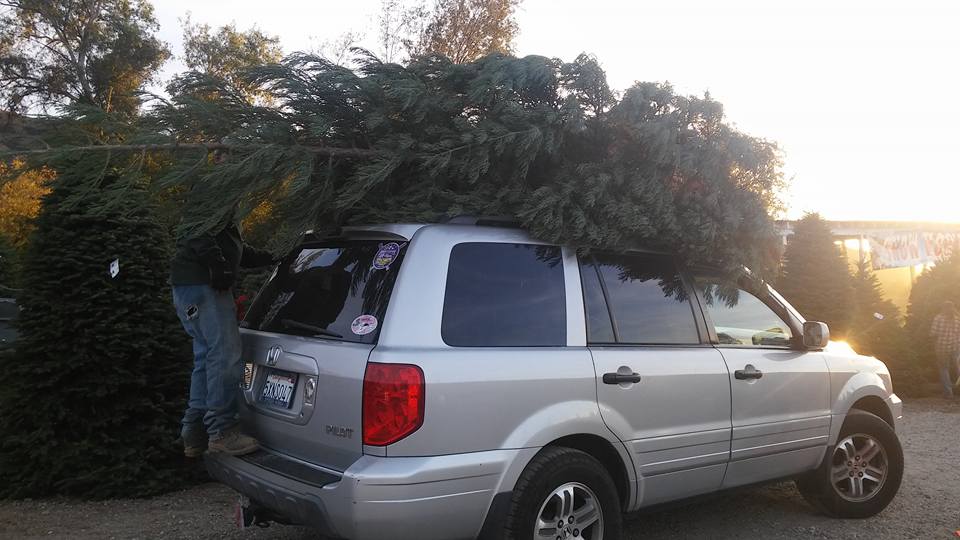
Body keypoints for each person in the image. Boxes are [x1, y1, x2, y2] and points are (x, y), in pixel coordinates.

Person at [170, 213, 275, 457]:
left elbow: (234, 248)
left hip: (192, 286)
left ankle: (195, 429)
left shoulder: (221, 192)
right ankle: (222, 432)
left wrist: (272, 256)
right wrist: (217, 265)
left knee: (207, 356)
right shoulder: (212, 182)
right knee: (225, 356)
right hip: (204, 285)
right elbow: (196, 226)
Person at [929, 301, 960, 399]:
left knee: (944, 369)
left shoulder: (938, 318)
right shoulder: (957, 319)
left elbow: (933, 333)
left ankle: (948, 393)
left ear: (943, 308)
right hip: (955, 347)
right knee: (958, 369)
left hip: (941, 348)